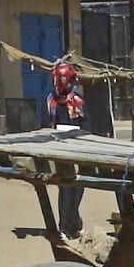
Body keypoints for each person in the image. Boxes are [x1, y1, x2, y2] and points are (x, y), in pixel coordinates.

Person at [47, 61, 87, 236]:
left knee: (77, 188)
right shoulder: (51, 102)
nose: (66, 86)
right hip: (60, 152)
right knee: (64, 189)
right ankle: (64, 226)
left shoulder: (78, 102)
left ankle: (75, 223)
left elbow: (87, 125)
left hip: (78, 152)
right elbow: (44, 125)